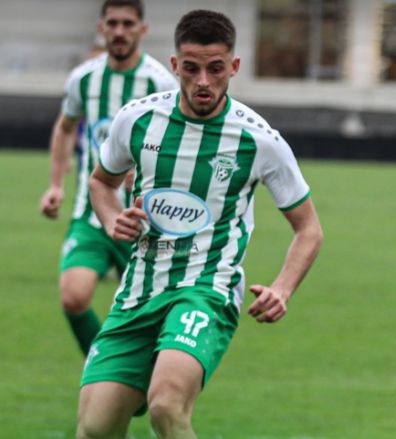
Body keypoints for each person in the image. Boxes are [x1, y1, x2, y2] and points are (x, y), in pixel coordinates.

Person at [81, 9, 323, 439]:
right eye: (191, 69)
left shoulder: (259, 140)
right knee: (96, 429)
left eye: (215, 69)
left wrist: (282, 289)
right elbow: (102, 181)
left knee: (165, 407)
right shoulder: (136, 119)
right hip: (138, 291)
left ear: (234, 66)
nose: (203, 82)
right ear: (175, 65)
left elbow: (309, 229)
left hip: (207, 289)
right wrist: (113, 219)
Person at [39, 0, 179, 358]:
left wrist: (147, 164)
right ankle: (102, 365)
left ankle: (138, 374)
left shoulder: (160, 81)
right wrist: (56, 184)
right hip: (92, 211)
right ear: (101, 28)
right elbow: (65, 127)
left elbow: (178, 142)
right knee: (73, 296)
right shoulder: (84, 78)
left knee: (152, 318)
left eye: (128, 24)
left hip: (146, 217)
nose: (119, 31)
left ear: (142, 30)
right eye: (112, 23)